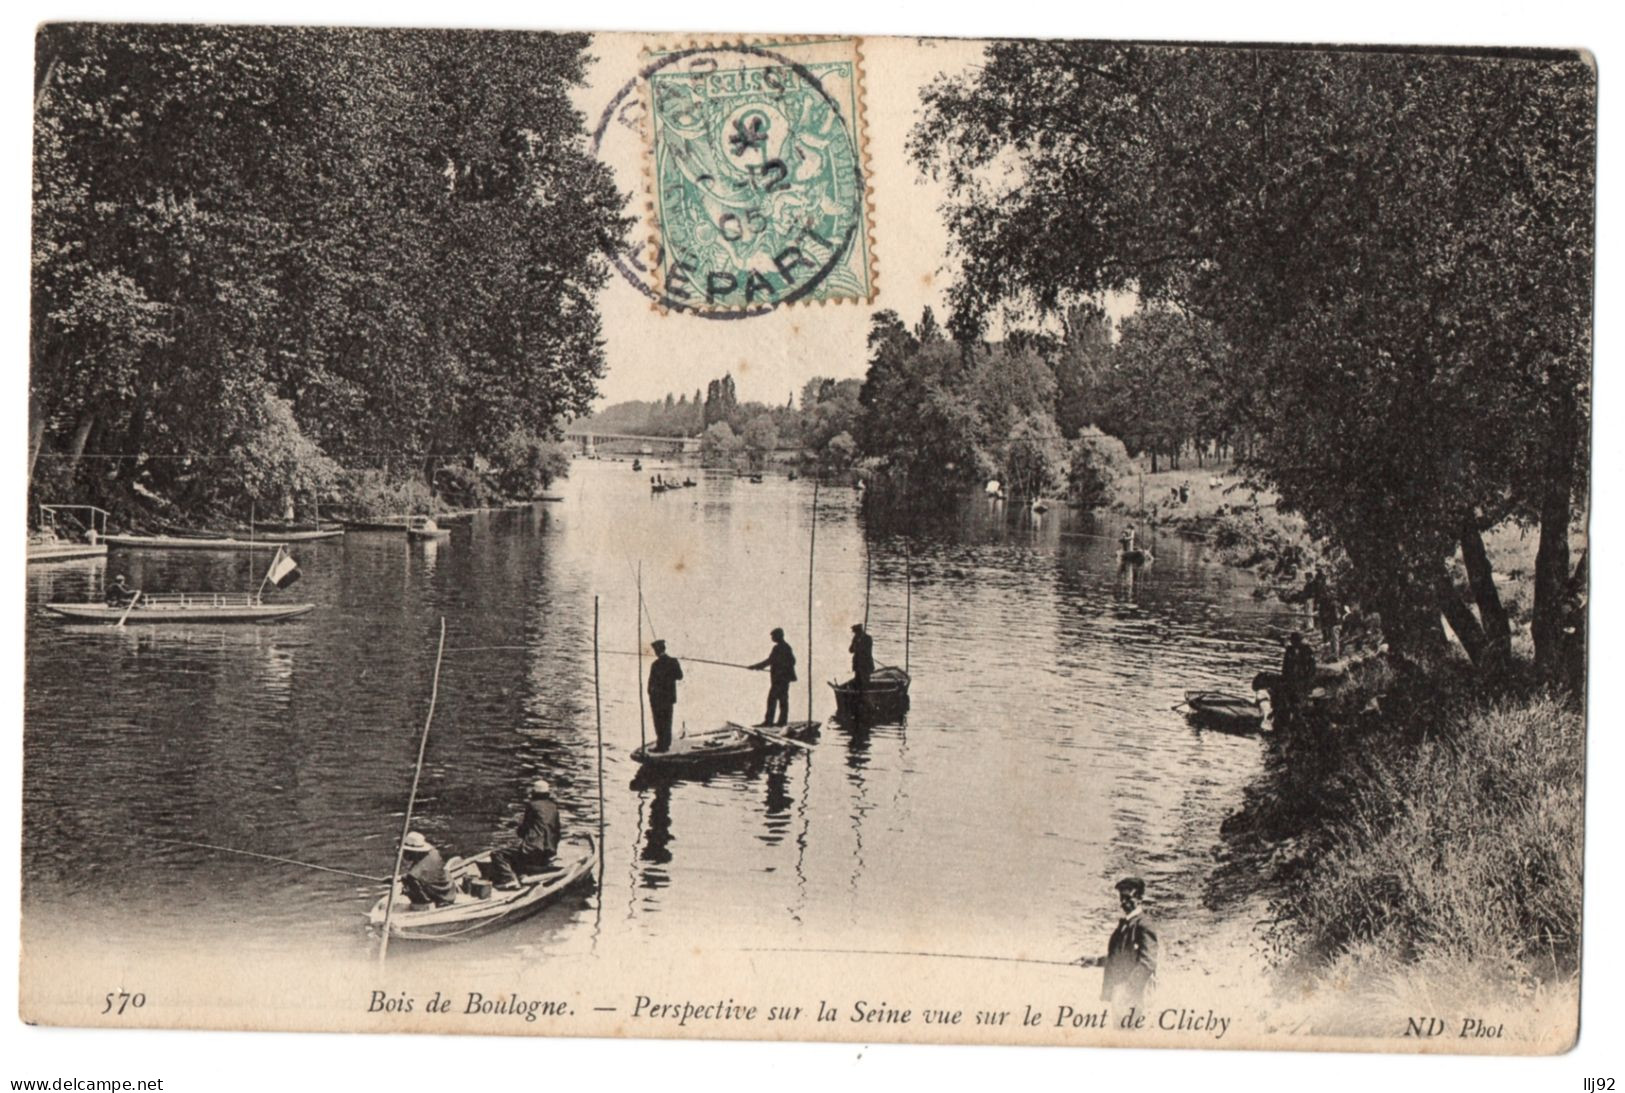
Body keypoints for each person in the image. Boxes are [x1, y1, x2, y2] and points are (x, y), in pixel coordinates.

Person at [1077, 877, 1159, 1009]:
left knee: (1129, 1028)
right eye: (1121, 898)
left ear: (1140, 899)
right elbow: (1119, 958)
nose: (1123, 903)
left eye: (1128, 897)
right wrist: (1096, 961)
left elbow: (1148, 963)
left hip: (1134, 997)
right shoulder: (1126, 925)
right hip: (1120, 994)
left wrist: (1129, 989)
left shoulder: (1144, 925)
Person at [485, 779, 561, 890]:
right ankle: (523, 872)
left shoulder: (532, 805)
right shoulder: (553, 807)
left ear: (534, 793)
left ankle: (508, 879)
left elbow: (523, 830)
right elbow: (557, 832)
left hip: (533, 850)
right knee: (520, 854)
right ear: (547, 794)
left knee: (497, 854)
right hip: (549, 851)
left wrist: (520, 833)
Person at [749, 627, 797, 727]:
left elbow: (770, 661)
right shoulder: (786, 647)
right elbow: (790, 661)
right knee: (782, 700)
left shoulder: (779, 648)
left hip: (780, 679)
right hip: (783, 679)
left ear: (779, 636)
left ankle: (769, 722)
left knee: (773, 699)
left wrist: (756, 666)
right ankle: (781, 722)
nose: (772, 638)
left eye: (773, 636)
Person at [397, 831, 456, 908]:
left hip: (442, 898)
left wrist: (406, 882)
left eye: (406, 851)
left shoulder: (415, 873)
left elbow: (415, 876)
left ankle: (428, 905)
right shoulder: (434, 852)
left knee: (410, 884)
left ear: (413, 851)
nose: (404, 854)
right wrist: (400, 878)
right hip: (450, 890)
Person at [646, 639, 683, 752]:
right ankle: (666, 745)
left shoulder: (655, 665)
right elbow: (680, 676)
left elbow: (651, 684)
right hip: (669, 699)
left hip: (657, 700)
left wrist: (651, 695)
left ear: (657, 651)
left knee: (659, 723)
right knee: (667, 722)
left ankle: (661, 746)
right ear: (664, 649)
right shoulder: (673, 662)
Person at [1279, 630, 1317, 722]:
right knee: (1290, 697)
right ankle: (1290, 716)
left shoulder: (1307, 650)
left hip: (1302, 678)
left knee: (1300, 698)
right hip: (1291, 678)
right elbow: (1285, 665)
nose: (1294, 643)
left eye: (1295, 641)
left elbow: (1312, 667)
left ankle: (1299, 717)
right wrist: (1284, 678)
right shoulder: (1289, 650)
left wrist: (1309, 680)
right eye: (1293, 641)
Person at [849, 623, 875, 690]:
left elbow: (866, 650)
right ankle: (857, 694)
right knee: (857, 681)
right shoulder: (855, 638)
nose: (855, 633)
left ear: (859, 631)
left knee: (865, 681)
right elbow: (850, 650)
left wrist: (859, 646)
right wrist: (855, 645)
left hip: (866, 664)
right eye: (854, 632)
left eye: (856, 632)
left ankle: (866, 694)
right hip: (857, 664)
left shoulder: (868, 638)